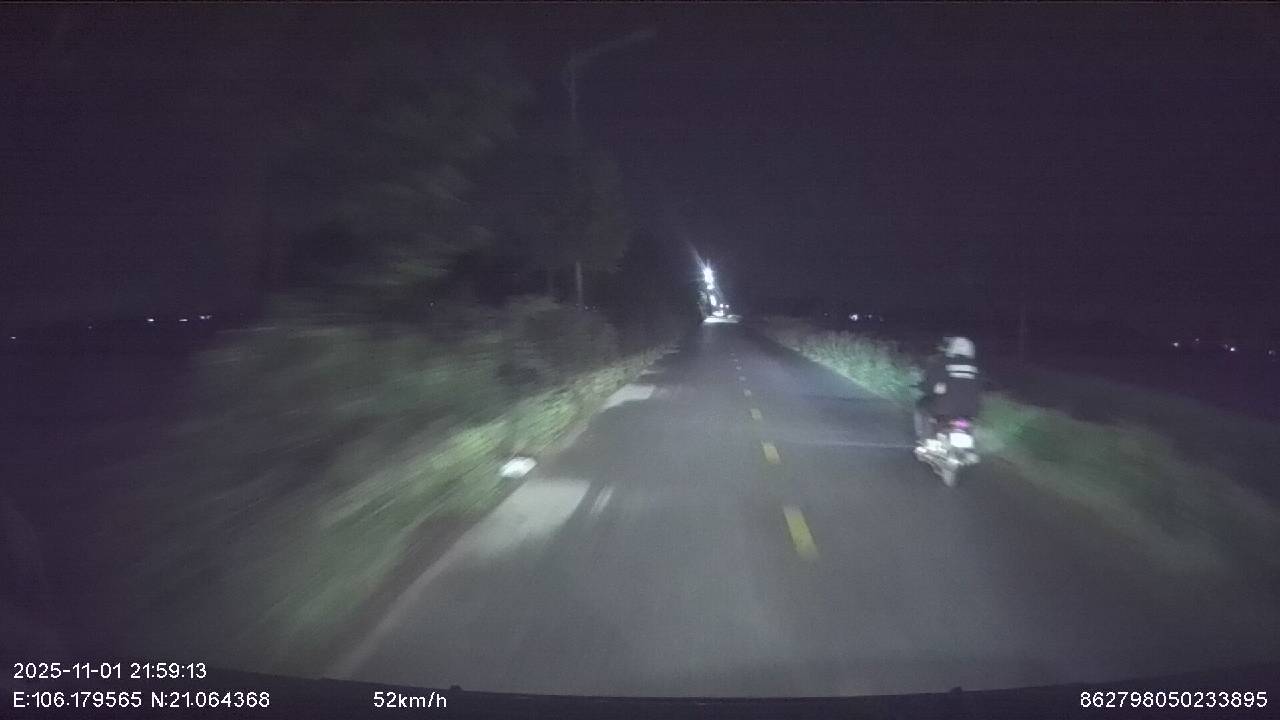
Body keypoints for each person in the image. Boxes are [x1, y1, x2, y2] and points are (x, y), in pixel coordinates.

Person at [914, 336, 981, 442]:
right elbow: (980, 388)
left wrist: (926, 387)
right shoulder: (976, 367)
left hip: (945, 410)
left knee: (922, 405)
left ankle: (926, 439)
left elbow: (931, 383)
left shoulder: (943, 362)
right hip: (970, 412)